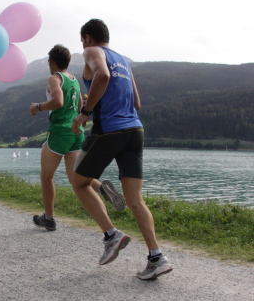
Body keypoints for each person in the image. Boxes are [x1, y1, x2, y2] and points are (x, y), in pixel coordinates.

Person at [71, 18, 173, 280]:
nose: (83, 45)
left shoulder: (92, 51)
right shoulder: (124, 61)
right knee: (135, 200)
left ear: (87, 38)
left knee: (79, 182)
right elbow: (136, 102)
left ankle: (111, 235)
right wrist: (101, 98)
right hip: (135, 131)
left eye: (82, 40)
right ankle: (156, 257)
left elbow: (103, 76)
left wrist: (86, 111)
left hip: (109, 131)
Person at [30, 45, 126, 232]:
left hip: (59, 132)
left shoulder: (54, 78)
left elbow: (57, 101)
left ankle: (48, 218)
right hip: (76, 132)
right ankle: (101, 188)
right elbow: (81, 103)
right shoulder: (73, 80)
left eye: (49, 61)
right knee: (75, 178)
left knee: (46, 176)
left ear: (52, 61)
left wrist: (38, 106)